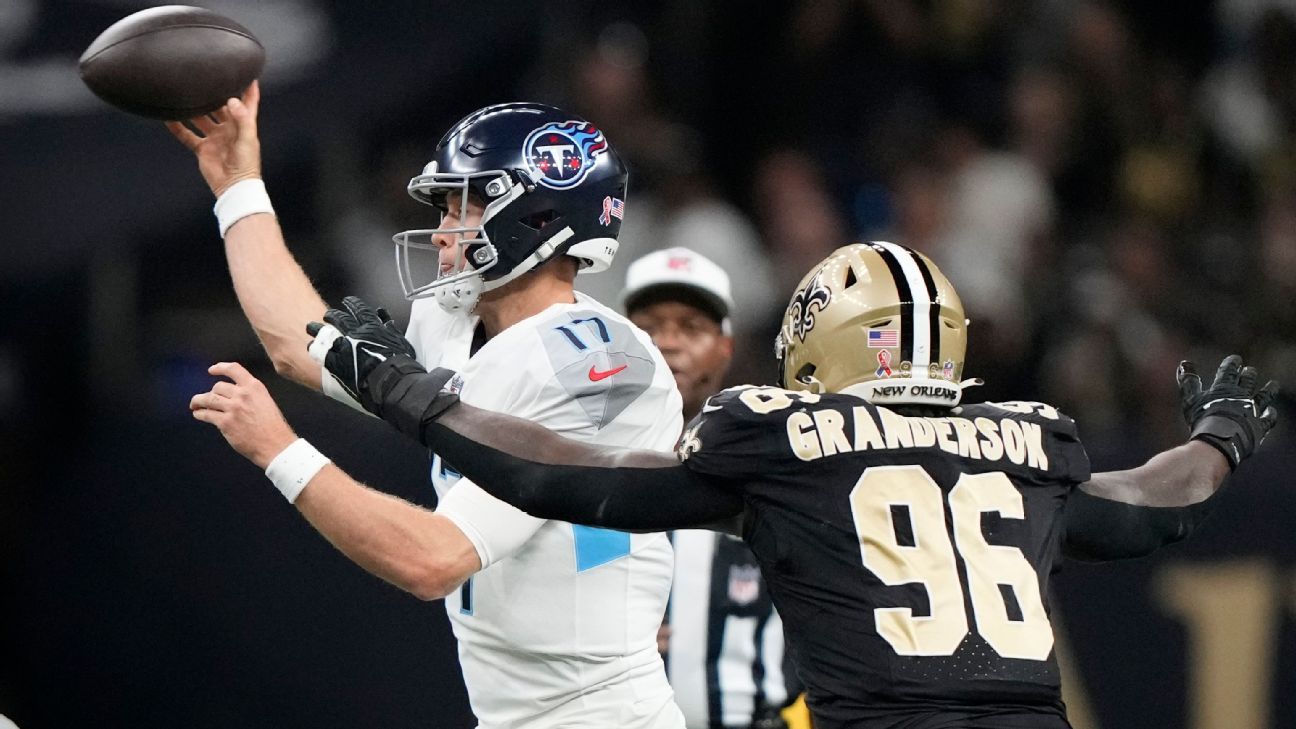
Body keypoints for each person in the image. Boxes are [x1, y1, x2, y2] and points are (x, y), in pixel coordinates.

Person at [279, 241, 1278, 728]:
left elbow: (568, 479)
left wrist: (404, 391)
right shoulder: (1028, 442)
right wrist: (1224, 433)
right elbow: (1160, 506)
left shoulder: (785, 437)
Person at [172, 84, 688, 728]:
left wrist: (282, 453)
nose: (443, 233)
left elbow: (433, 559)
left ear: (534, 216)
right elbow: (294, 341)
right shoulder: (454, 320)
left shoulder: (599, 365)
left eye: (461, 209)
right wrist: (237, 186)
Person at [622, 247, 805, 729]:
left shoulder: (781, 462)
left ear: (726, 347)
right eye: (650, 326)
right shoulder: (576, 457)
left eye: (691, 328)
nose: (668, 343)